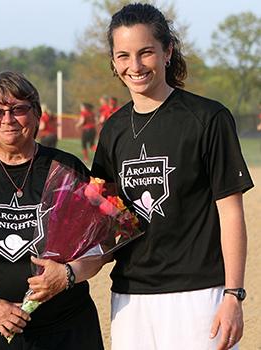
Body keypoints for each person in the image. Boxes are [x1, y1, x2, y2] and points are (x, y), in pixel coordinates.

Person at [91, 4, 253, 350]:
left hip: (199, 297)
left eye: (145, 52)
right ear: (114, 61)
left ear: (168, 51)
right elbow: (106, 220)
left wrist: (233, 294)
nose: (134, 66)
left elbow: (230, 212)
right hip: (131, 298)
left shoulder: (207, 118)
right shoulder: (113, 130)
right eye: (123, 55)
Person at [0, 71, 107, 350]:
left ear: (36, 114)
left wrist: (68, 275)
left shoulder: (67, 169)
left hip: (64, 332)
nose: (8, 119)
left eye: (19, 109)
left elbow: (99, 247)